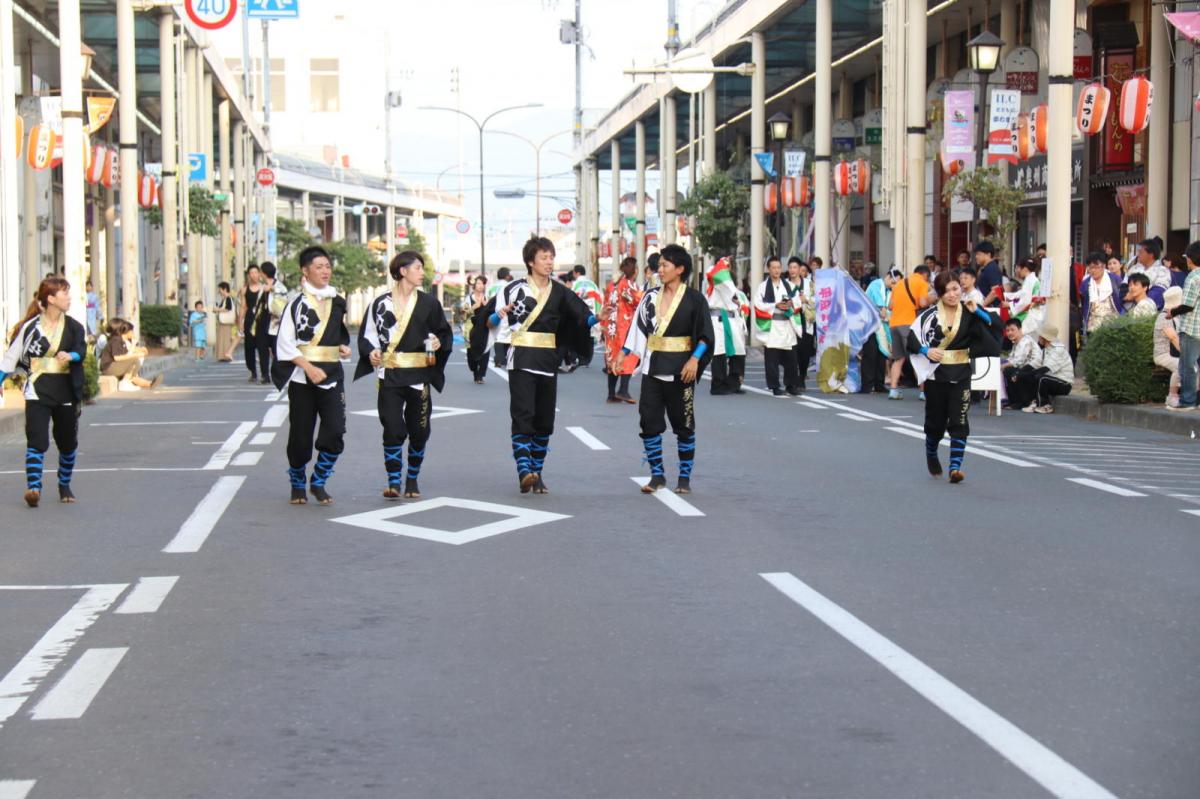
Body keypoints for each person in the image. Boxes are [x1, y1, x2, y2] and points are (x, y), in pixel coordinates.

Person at [488, 235, 597, 494]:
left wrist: (597, 318)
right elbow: (489, 320)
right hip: (523, 357)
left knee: (545, 419)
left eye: (552, 257)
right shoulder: (513, 289)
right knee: (523, 414)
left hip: (548, 359)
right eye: (544, 258)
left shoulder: (560, 291)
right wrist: (498, 314)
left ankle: (537, 472)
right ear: (530, 262)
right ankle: (524, 470)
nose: (549, 262)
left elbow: (581, 317)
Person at [355, 251, 452, 500]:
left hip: (419, 374)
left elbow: (444, 333)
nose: (422, 272)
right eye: (417, 267)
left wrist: (439, 342)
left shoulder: (429, 303)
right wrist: (372, 352)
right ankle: (394, 480)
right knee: (392, 426)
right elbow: (368, 335)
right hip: (390, 374)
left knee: (419, 430)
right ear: (402, 271)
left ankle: (413, 478)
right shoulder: (380, 303)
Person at [622, 244, 714, 495]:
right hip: (653, 368)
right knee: (649, 422)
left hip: (682, 368)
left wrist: (694, 360)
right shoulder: (650, 296)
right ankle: (657, 475)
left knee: (683, 423)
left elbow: (705, 335)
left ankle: (684, 478)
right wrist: (625, 353)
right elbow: (638, 328)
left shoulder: (695, 299)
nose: (659, 270)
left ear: (680, 269)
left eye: (665, 265)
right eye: (659, 265)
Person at [273, 246, 351, 506]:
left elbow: (336, 333)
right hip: (301, 379)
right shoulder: (296, 305)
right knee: (300, 436)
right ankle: (297, 481)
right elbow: (284, 344)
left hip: (332, 376)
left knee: (335, 430)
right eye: (319, 267)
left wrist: (342, 347)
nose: (325, 271)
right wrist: (308, 367)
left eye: (327, 266)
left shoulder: (337, 301)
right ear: (305, 272)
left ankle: (319, 479)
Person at [907, 271, 1003, 483]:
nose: (951, 294)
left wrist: (978, 311)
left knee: (959, 419)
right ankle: (931, 452)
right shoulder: (929, 316)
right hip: (937, 375)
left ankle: (955, 467)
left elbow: (995, 326)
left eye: (955, 289)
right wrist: (926, 351)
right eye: (946, 291)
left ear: (961, 288)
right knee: (936, 422)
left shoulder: (969, 312)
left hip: (961, 372)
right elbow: (912, 340)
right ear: (939, 294)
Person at [0, 277, 88, 507]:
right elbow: (12, 356)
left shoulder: (74, 327)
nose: (69, 298)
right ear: (51, 298)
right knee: (36, 440)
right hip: (37, 390)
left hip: (66, 390)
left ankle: (64, 484)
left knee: (67, 442)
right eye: (64, 294)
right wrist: (1, 378)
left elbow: (82, 349)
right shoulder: (31, 328)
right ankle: (34, 488)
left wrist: (72, 356)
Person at [753, 257, 800, 397]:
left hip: (786, 324)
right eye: (773, 268)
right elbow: (758, 305)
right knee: (772, 358)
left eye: (778, 267)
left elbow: (797, 301)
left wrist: (791, 303)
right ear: (768, 269)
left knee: (791, 358)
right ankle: (774, 386)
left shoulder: (789, 285)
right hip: (772, 325)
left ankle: (791, 385)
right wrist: (775, 305)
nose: (776, 270)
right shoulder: (762, 287)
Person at [887, 264, 932, 399]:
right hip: (909, 324)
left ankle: (893, 390)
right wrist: (932, 297)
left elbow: (890, 306)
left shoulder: (899, 284)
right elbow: (923, 303)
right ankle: (923, 392)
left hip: (894, 324)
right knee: (917, 357)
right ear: (925, 275)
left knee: (898, 358)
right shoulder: (922, 283)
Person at [1165, 241, 1200, 411]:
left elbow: (1187, 305)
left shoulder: (1193, 277)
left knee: (1187, 366)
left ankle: (1188, 401)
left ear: (1190, 259)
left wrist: (1172, 312)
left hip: (1192, 328)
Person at [706, 257, 747, 396]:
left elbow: (738, 298)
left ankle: (734, 382)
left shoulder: (729, 281)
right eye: (726, 265)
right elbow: (712, 273)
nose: (727, 267)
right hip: (719, 319)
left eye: (729, 265)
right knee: (719, 352)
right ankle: (718, 384)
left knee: (739, 351)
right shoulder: (715, 276)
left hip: (733, 319)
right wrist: (721, 266)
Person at [603, 256, 642, 403]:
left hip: (610, 326)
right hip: (624, 326)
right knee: (628, 356)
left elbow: (605, 304)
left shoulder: (612, 286)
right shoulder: (629, 286)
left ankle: (611, 394)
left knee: (612, 357)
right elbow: (639, 301)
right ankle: (623, 390)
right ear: (635, 270)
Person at [861, 267, 895, 394]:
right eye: (893, 282)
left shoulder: (889, 290)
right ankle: (867, 385)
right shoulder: (876, 285)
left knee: (882, 355)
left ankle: (879, 383)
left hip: (883, 327)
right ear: (888, 277)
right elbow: (881, 307)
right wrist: (885, 311)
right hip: (870, 324)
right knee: (870, 354)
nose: (894, 285)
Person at [100, 318, 159, 390]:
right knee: (134, 360)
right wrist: (135, 355)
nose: (132, 333)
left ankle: (149, 384)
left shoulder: (121, 340)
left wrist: (135, 347)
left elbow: (128, 353)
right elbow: (117, 358)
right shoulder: (116, 340)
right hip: (108, 368)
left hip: (114, 366)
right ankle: (125, 384)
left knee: (133, 370)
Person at [1026, 323, 1073, 413]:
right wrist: (1019, 373)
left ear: (1045, 338)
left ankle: (1045, 405)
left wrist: (1029, 374)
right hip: (1052, 380)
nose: (1038, 337)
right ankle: (1035, 402)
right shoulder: (1044, 351)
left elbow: (1046, 368)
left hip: (1064, 384)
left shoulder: (1058, 350)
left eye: (1040, 335)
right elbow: (1034, 364)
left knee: (1041, 378)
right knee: (1033, 376)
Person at [787, 257, 816, 391]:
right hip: (791, 320)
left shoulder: (809, 284)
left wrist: (806, 300)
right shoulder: (785, 284)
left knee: (805, 352)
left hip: (806, 320)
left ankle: (802, 375)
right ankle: (794, 378)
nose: (792, 270)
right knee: (793, 350)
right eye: (790, 267)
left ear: (800, 270)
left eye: (795, 267)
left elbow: (817, 300)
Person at [1155, 286, 1185, 408]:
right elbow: (1173, 338)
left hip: (1174, 353)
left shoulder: (1176, 316)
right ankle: (1172, 396)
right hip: (1163, 354)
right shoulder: (1164, 317)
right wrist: (1186, 354)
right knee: (1181, 366)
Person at [1002, 317, 1040, 410]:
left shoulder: (1025, 341)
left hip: (1033, 370)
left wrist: (1002, 366)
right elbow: (1011, 358)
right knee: (1008, 370)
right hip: (1024, 369)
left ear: (1019, 329)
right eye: (1007, 331)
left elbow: (1018, 361)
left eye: (1012, 330)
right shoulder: (1016, 342)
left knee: (1010, 371)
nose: (1009, 333)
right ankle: (1013, 401)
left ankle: (1019, 402)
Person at [240, 264, 270, 384]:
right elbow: (243, 306)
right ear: (248, 275)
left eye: (256, 272)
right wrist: (240, 322)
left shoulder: (265, 288)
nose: (254, 275)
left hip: (262, 321)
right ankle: (253, 372)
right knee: (249, 348)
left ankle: (265, 374)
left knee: (263, 348)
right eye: (251, 273)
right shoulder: (244, 289)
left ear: (259, 274)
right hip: (249, 320)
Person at [1081, 252, 1123, 334]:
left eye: (1096, 267)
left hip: (1113, 326)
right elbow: (1084, 303)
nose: (1093, 270)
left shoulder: (1115, 280)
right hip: (1093, 327)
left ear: (1103, 266)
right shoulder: (1086, 283)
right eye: (1091, 267)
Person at [1002, 258, 1046, 334]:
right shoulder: (1031, 280)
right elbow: (1021, 294)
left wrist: (1009, 304)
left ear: (1025, 269)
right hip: (1035, 316)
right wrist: (1007, 296)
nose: (1017, 271)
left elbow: (1025, 301)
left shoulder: (1030, 281)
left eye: (1018, 268)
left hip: (1031, 317)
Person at [261, 262, 289, 376]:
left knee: (276, 350)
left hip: (276, 322)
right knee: (262, 350)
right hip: (263, 321)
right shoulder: (261, 286)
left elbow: (283, 299)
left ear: (264, 273)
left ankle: (277, 373)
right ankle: (265, 375)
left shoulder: (279, 286)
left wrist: (271, 288)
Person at [1126, 237, 1171, 308]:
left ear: (1151, 255)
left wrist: (1138, 297)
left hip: (1149, 310)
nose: (1138, 255)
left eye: (1141, 252)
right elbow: (1124, 286)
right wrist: (1126, 295)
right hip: (1128, 307)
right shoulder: (1134, 268)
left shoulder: (1163, 271)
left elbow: (1158, 292)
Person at [464, 276, 490, 384]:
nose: (480, 286)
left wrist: (486, 306)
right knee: (471, 353)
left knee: (485, 350)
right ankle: (475, 371)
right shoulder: (468, 298)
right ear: (474, 285)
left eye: (482, 283)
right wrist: (474, 307)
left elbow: (493, 313)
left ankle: (480, 375)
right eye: (478, 283)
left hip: (484, 328)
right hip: (471, 329)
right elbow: (464, 314)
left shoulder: (487, 298)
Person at [487, 267, 513, 368]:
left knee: (497, 336)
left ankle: (498, 358)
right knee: (507, 336)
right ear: (507, 276)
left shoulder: (491, 287)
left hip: (493, 313)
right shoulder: (508, 286)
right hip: (505, 313)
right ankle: (503, 358)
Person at [973, 241, 1004, 306]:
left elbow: (995, 291)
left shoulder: (991, 268)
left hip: (992, 308)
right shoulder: (986, 268)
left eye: (979, 254)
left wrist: (982, 305)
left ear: (988, 254)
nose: (976, 257)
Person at [214, 282, 237, 362]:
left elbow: (228, 308)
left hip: (225, 322)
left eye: (220, 289)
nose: (219, 291)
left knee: (225, 339)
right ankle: (223, 355)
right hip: (223, 322)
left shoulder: (228, 298)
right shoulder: (225, 299)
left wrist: (217, 309)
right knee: (223, 339)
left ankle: (225, 355)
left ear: (224, 289)